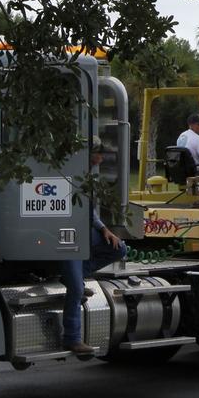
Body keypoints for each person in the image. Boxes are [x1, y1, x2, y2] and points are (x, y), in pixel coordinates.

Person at [60, 148, 128, 356]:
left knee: (118, 248)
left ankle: (76, 274)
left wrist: (104, 229)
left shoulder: (86, 174)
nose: (102, 158)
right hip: (65, 234)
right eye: (99, 152)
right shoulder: (68, 171)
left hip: (82, 230)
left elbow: (88, 209)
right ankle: (72, 338)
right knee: (76, 289)